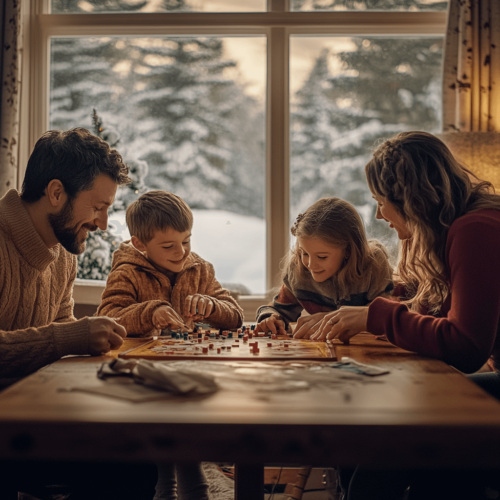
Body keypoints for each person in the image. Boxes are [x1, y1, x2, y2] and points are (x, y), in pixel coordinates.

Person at [312, 131, 500, 500]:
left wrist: (377, 316)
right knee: (420, 447)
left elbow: (465, 346)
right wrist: (370, 314)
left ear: (412, 202)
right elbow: (440, 314)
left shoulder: (476, 229)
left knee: (402, 425)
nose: (379, 214)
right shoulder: (462, 226)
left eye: (381, 202)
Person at [0, 127, 157, 499]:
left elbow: (62, 330)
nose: (102, 224)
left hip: (30, 414)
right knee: (128, 470)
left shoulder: (61, 254)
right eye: (97, 207)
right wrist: (71, 336)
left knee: (137, 454)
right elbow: (61, 336)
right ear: (56, 193)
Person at [97, 189, 244, 500]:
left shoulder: (200, 269)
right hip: (144, 378)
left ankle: (196, 489)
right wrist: (150, 311)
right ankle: (169, 489)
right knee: (162, 451)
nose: (181, 252)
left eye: (186, 241)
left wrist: (212, 306)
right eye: (168, 246)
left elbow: (234, 317)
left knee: (188, 438)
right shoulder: (127, 271)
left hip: (188, 374)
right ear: (140, 244)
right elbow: (109, 316)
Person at [254, 197, 393, 336]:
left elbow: (389, 315)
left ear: (348, 251)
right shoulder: (298, 268)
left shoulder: (374, 265)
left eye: (322, 257)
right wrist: (270, 318)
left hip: (367, 352)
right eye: (304, 253)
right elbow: (279, 309)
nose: (310, 264)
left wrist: (330, 319)